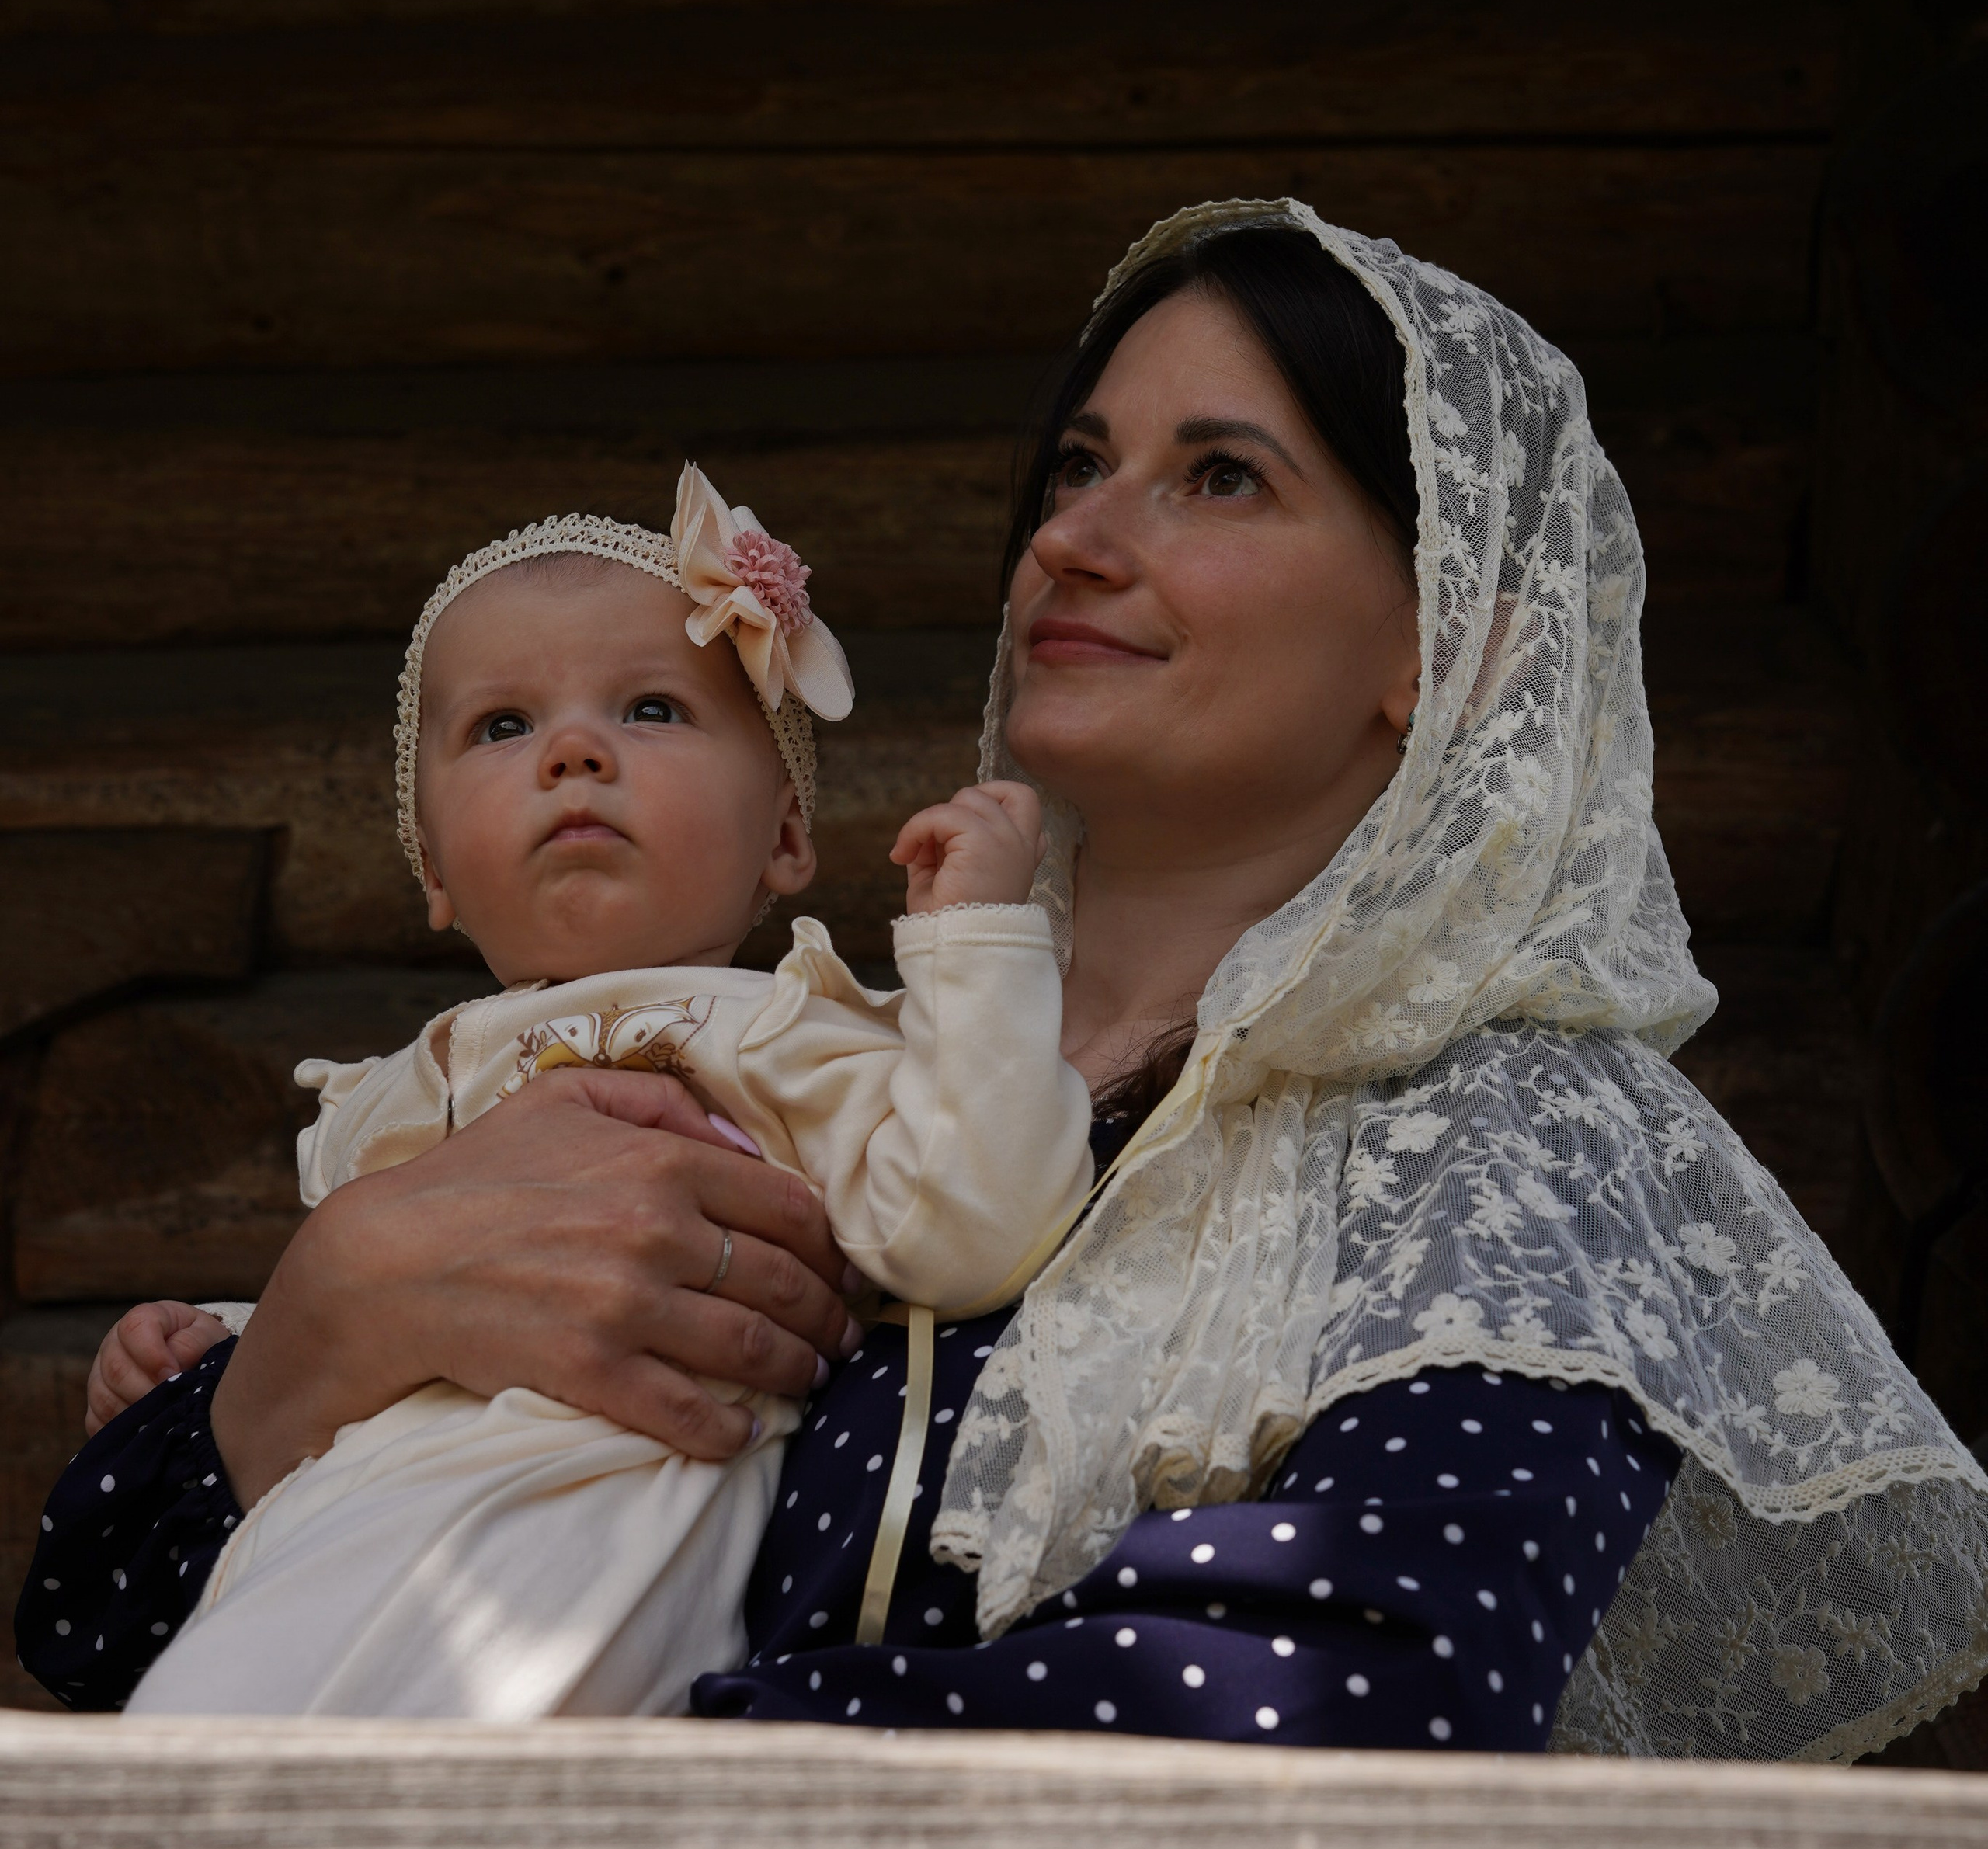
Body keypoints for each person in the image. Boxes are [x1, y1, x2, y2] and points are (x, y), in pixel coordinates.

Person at [22, 201, 1988, 1762]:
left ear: (1446, 649)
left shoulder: (1492, 1137)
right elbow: (107, 1643)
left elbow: (1347, 1685)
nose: (1075, 533)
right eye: (1077, 461)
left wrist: (568, 1783)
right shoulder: (824, 1070)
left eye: (1217, 477)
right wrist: (306, 1342)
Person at [112, 464, 1088, 1719]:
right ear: (436, 871)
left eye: (650, 709)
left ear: (787, 838)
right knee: (202, 1758)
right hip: (331, 1530)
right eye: (504, 727)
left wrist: (978, 948)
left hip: (598, 1528)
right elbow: (376, 1328)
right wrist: (217, 1342)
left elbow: (972, 1225)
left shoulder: (798, 1034)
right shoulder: (406, 1092)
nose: (573, 752)